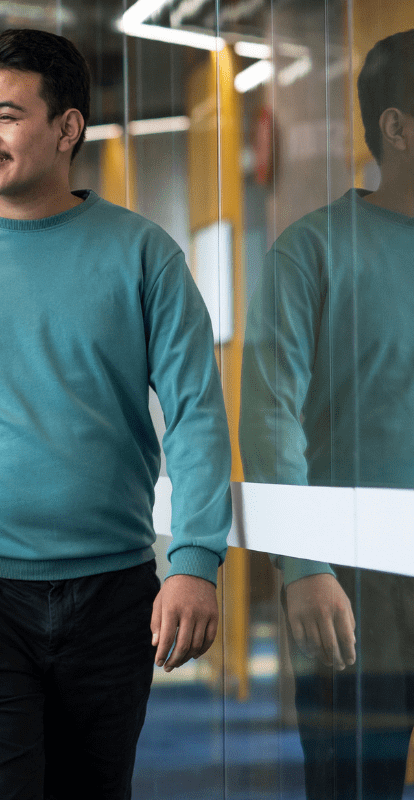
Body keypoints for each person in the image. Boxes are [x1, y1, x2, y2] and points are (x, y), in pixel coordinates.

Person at [0, 28, 232, 799]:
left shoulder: (145, 256)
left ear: (67, 128)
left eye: (5, 116)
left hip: (113, 590)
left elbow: (196, 413)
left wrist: (195, 560)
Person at [240, 29, 414, 800]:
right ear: (398, 128)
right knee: (355, 786)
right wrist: (304, 564)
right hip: (354, 573)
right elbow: (269, 418)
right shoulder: (310, 252)